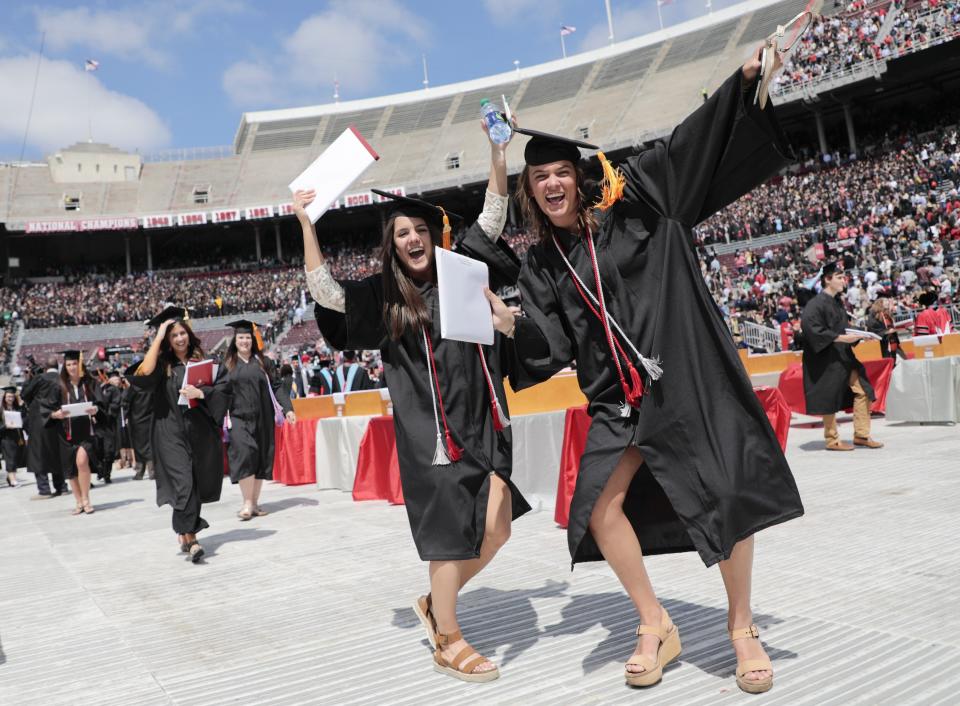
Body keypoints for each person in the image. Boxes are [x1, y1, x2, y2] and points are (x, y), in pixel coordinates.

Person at [498, 48, 804, 694]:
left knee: (726, 494)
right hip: (616, 403)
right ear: (528, 189)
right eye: (539, 177)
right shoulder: (542, 264)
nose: (551, 184)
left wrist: (742, 82)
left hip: (683, 383)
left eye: (560, 172)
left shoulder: (637, 203)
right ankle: (653, 621)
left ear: (580, 177)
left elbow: (686, 145)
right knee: (596, 509)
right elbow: (549, 346)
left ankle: (741, 626)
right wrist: (509, 327)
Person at [300, 120, 531, 683]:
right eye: (400, 232)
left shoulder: (461, 270)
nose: (411, 238)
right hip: (432, 435)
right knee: (450, 536)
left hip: (482, 419)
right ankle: (447, 636)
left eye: (419, 228)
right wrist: (306, 223)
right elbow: (326, 292)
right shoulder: (384, 298)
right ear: (392, 244)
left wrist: (497, 152)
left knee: (497, 527)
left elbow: (494, 216)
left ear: (432, 233)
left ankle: (434, 603)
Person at [129, 306, 229, 563]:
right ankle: (193, 539)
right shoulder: (162, 365)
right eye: (174, 336)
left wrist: (202, 393)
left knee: (192, 483)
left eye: (182, 333)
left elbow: (222, 388)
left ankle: (184, 533)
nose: (180, 339)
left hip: (198, 431)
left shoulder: (201, 361)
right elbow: (143, 374)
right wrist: (158, 336)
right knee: (183, 482)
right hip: (169, 432)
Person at [801, 262, 883, 451]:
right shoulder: (815, 304)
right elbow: (811, 329)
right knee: (828, 396)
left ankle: (862, 435)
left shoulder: (838, 303)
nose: (843, 281)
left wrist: (860, 336)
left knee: (863, 391)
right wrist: (840, 338)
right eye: (839, 277)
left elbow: (843, 329)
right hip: (825, 359)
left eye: (843, 277)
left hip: (844, 357)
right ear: (827, 279)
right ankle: (832, 439)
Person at [219, 319, 294, 520]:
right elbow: (218, 391)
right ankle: (247, 503)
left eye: (247, 338)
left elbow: (277, 386)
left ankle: (254, 503)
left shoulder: (263, 362)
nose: (244, 341)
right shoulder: (227, 364)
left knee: (260, 458)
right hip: (238, 418)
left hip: (263, 417)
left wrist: (288, 409)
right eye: (241, 337)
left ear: (253, 340)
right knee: (245, 454)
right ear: (234, 340)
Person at [49, 350, 102, 515]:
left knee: (81, 462)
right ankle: (78, 501)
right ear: (65, 366)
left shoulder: (90, 383)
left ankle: (86, 499)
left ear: (80, 364)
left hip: (86, 432)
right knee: (71, 469)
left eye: (74, 363)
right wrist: (55, 414)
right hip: (66, 434)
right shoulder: (59, 385)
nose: (72, 367)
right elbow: (48, 409)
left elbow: (101, 403)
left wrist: (96, 409)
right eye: (69, 364)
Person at [21, 357, 68, 498]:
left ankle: (44, 490)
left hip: (39, 421)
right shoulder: (62, 379)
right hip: (58, 420)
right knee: (56, 453)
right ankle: (61, 487)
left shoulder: (40, 378)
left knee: (38, 454)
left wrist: (29, 378)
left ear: (45, 366)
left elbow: (25, 395)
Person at [124, 361, 155, 480]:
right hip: (150, 419)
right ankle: (152, 471)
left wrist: (126, 417)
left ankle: (140, 472)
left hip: (136, 420)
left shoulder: (133, 388)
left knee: (138, 447)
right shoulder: (150, 385)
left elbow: (126, 403)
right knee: (150, 445)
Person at [95, 369, 123, 483]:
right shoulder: (99, 388)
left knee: (109, 450)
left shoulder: (114, 390)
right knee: (98, 449)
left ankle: (106, 473)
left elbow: (115, 405)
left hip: (109, 423)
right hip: (97, 423)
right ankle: (101, 471)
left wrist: (106, 413)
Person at [0, 386, 26, 487]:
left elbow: (24, 419)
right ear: (4, 397)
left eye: (12, 397)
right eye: (8, 396)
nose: (10, 398)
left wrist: (22, 406)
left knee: (16, 458)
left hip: (17, 437)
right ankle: (13, 480)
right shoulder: (1, 410)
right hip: (6, 438)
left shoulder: (17, 408)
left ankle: (10, 477)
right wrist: (5, 426)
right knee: (10, 458)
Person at [866, 297, 904, 362]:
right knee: (887, 360)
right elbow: (873, 329)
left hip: (893, 340)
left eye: (887, 301)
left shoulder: (887, 313)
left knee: (895, 358)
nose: (887, 302)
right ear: (880, 303)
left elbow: (891, 326)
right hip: (883, 343)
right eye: (885, 301)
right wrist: (887, 332)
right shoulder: (874, 314)